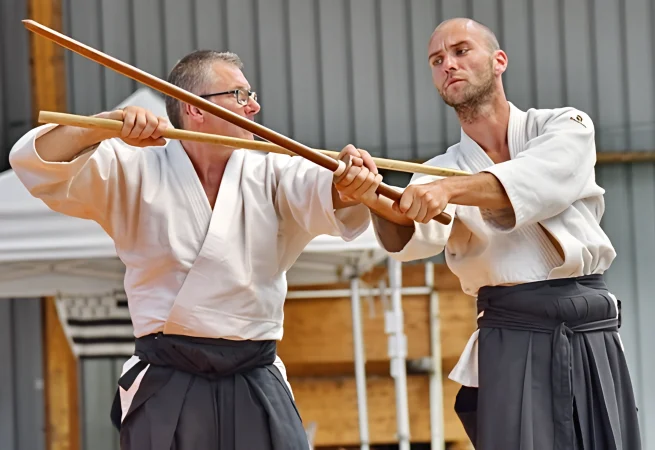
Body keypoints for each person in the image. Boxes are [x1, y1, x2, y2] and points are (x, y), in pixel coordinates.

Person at [9, 50, 382, 450]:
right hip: (167, 376)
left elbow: (325, 191)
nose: (254, 107)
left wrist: (348, 184)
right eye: (239, 95)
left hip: (254, 376)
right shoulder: (135, 167)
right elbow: (33, 161)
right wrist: (105, 126)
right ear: (194, 108)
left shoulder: (273, 171)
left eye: (251, 95)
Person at [334, 17, 641, 449]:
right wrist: (368, 193)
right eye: (436, 60)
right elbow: (412, 226)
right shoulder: (439, 170)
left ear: (499, 61)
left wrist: (448, 190)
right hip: (512, 332)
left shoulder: (566, 126)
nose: (448, 64)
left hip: (592, 327)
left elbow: (538, 180)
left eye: (461, 51)